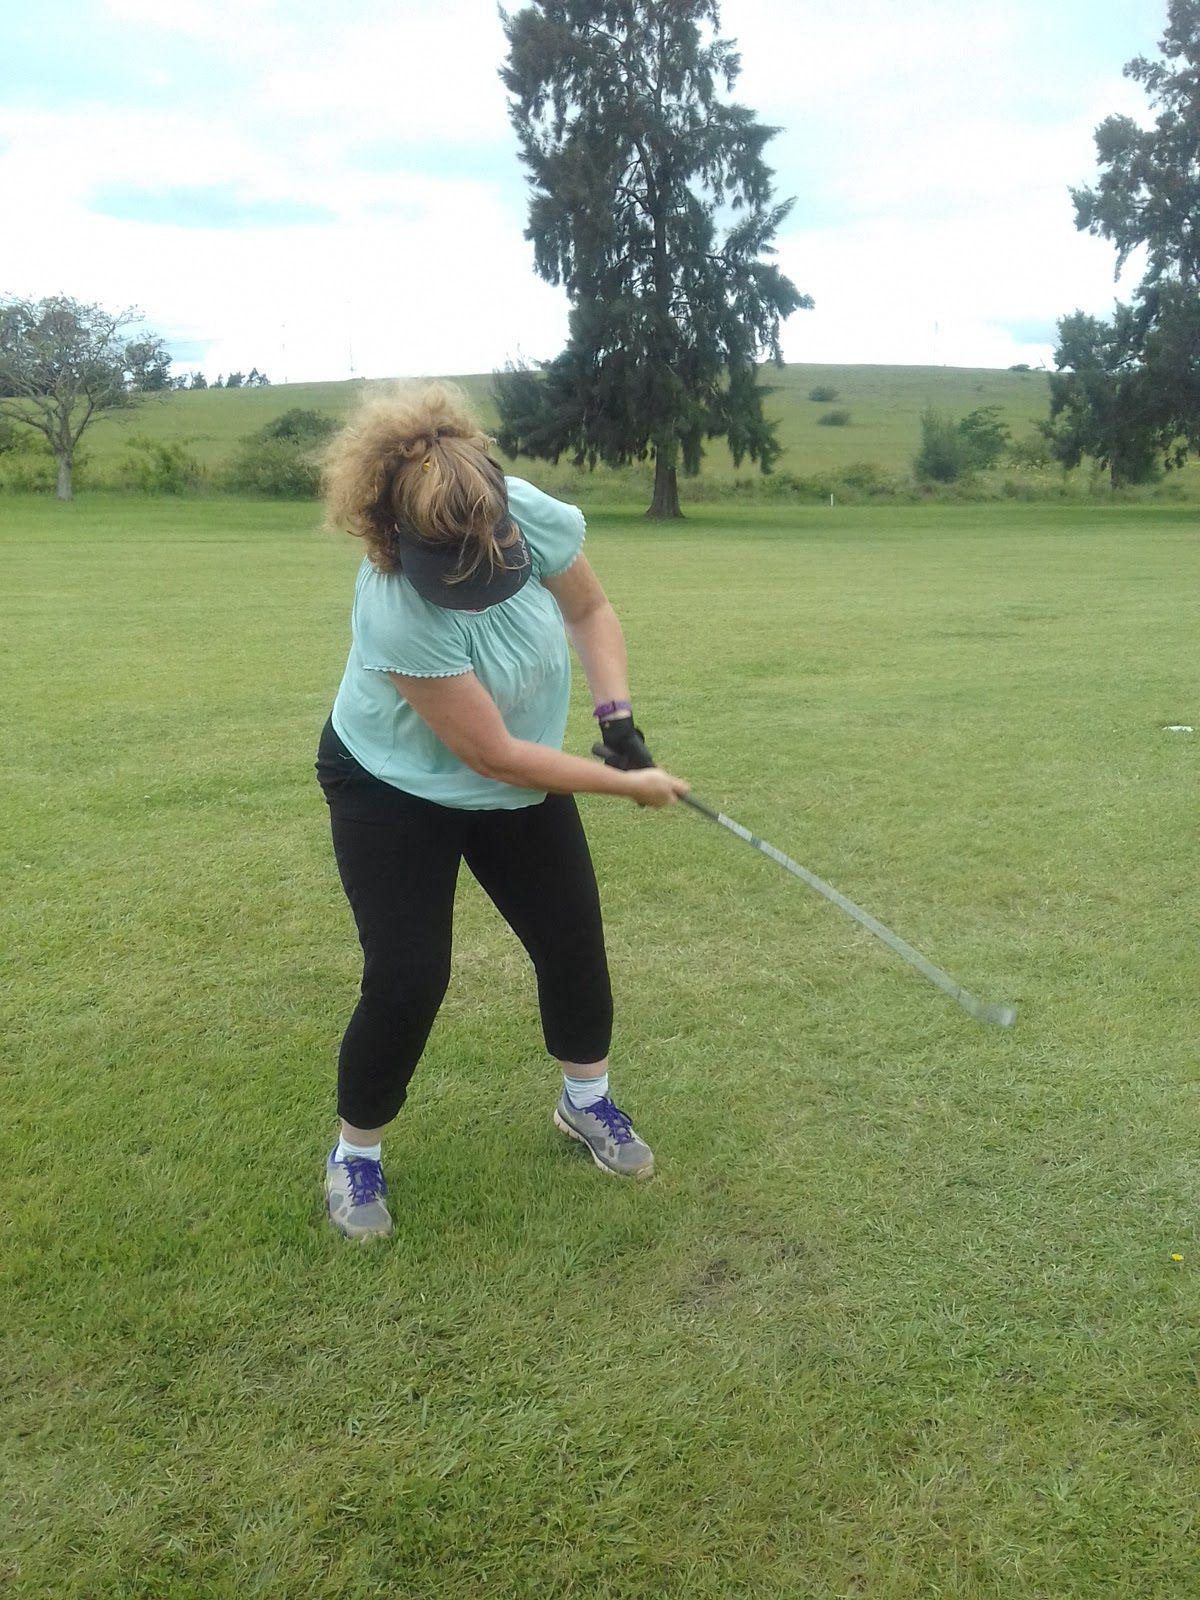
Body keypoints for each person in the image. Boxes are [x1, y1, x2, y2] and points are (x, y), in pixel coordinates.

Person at [315, 381, 689, 1240]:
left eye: (492, 541)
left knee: (570, 937)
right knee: (409, 974)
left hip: (517, 785)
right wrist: (630, 785)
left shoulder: (525, 509)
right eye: (454, 558)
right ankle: (355, 1156)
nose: (481, 566)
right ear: (395, 535)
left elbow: (590, 608)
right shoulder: (394, 602)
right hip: (391, 789)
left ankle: (586, 1103)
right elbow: (491, 754)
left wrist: (616, 717)